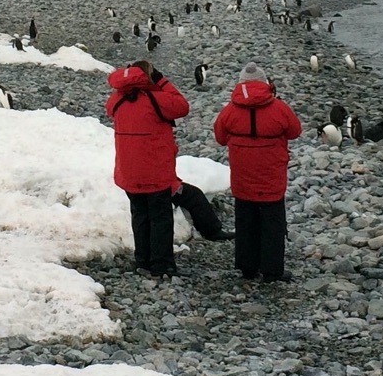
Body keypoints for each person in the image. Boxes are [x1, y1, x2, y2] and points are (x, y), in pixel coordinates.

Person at [211, 63, 302, 281]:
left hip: (243, 176)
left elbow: (220, 137)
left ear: (240, 84)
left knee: (245, 220)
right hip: (271, 177)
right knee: (272, 222)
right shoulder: (279, 108)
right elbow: (294, 131)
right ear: (265, 83)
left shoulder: (230, 110)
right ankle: (272, 270)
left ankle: (247, 267)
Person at [105, 60, 190, 276]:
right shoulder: (156, 99)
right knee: (160, 217)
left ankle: (142, 260)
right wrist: (161, 81)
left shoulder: (117, 100)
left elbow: (109, 109)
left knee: (140, 215)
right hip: (155, 171)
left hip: (129, 172)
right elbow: (182, 106)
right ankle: (162, 264)